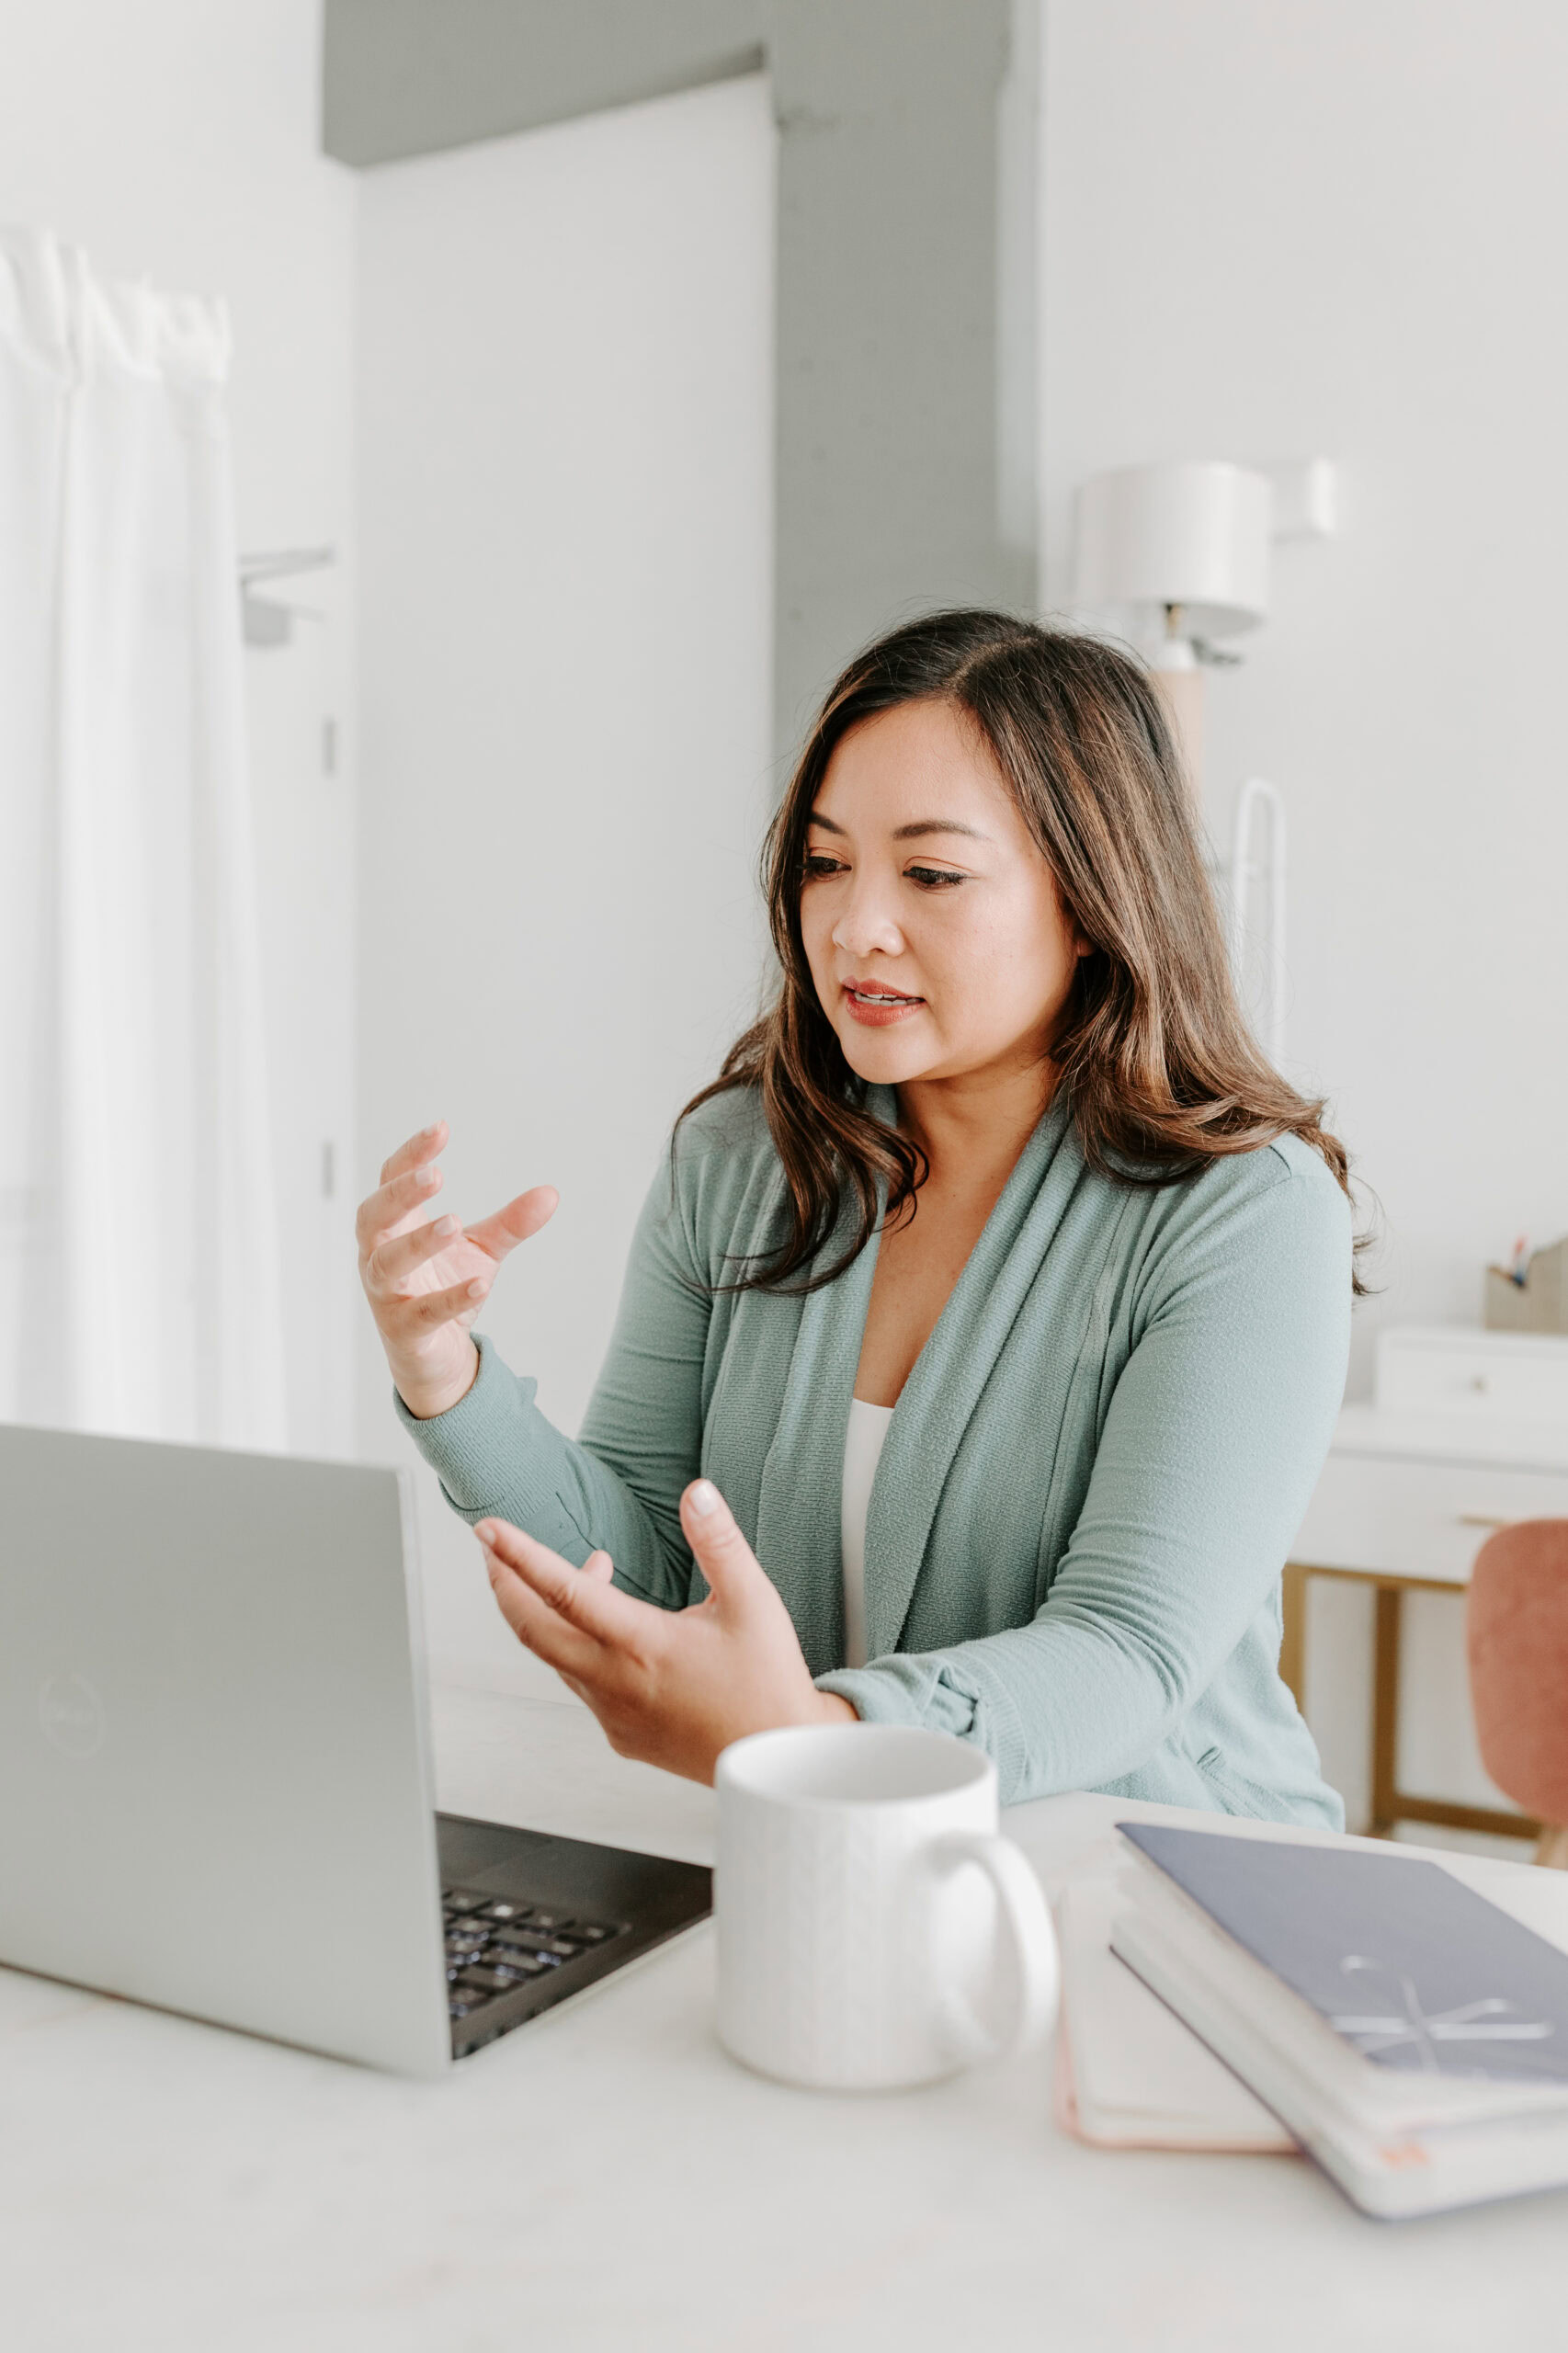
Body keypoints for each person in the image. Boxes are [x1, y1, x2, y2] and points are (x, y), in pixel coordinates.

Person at [357, 610, 1356, 1824]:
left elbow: (1127, 1653)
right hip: (816, 1844)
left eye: (930, 875)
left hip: (1160, 1880)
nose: (852, 926)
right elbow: (650, 1558)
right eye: (827, 863)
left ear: (1091, 901)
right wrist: (444, 1373)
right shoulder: (738, 1157)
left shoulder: (1244, 1215)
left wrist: (815, 1738)